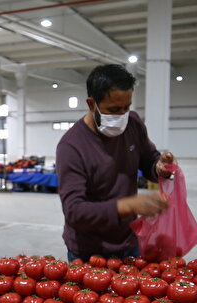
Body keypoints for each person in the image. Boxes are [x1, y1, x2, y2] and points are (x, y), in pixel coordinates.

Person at [56, 64, 176, 261]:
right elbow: (74, 211)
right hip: (89, 251)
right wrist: (128, 205)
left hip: (129, 241)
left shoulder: (133, 123)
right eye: (113, 110)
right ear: (91, 104)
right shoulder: (71, 147)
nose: (121, 115)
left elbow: (148, 158)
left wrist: (159, 167)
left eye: (126, 107)